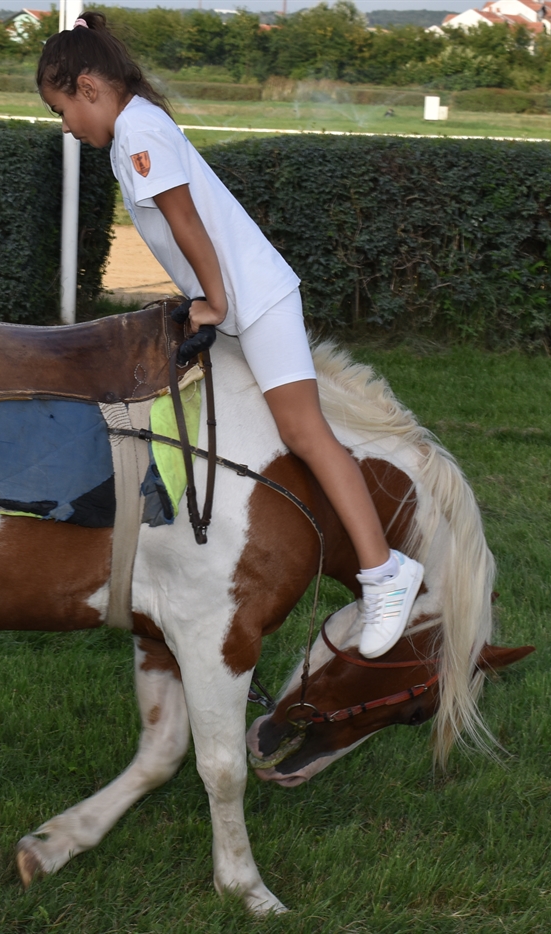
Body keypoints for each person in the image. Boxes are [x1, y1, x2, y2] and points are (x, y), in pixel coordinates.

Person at [36, 14, 424, 657]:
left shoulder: (137, 129)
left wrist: (212, 299)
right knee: (273, 429)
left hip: (257, 299)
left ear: (88, 87)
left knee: (305, 433)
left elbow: (185, 221)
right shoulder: (135, 128)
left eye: (62, 110)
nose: (67, 126)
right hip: (245, 301)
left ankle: (385, 572)